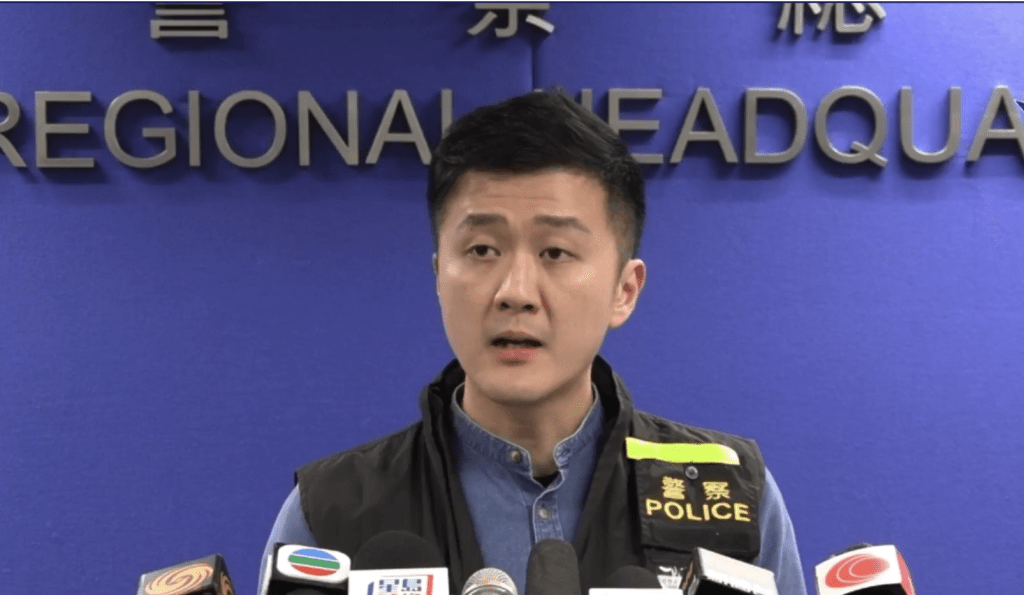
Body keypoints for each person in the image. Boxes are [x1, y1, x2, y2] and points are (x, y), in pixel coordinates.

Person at [260, 89, 807, 595]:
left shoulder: (731, 495)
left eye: (555, 253)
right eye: (482, 250)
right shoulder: (329, 510)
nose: (515, 292)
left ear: (624, 290)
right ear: (438, 276)